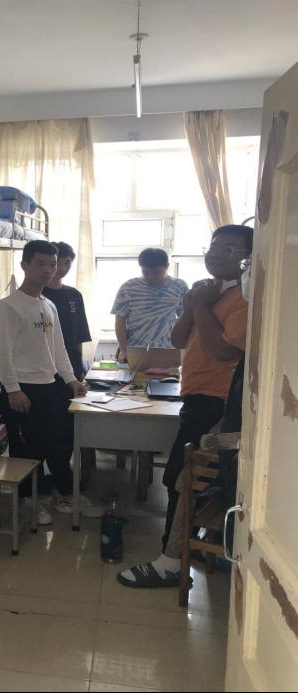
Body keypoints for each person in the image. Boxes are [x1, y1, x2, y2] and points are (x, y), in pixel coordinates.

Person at [117, 225, 252, 588]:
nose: (216, 253)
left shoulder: (243, 298)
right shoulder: (204, 291)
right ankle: (193, 551)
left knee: (183, 479)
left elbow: (224, 351)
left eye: (229, 249)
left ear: (249, 259)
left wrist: (201, 306)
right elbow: (178, 339)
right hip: (195, 397)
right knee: (186, 477)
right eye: (214, 246)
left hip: (217, 402)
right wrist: (195, 304)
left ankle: (171, 563)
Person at [0, 240, 102, 524]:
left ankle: (66, 494)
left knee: (58, 445)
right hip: (22, 389)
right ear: (25, 265)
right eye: (40, 263)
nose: (48, 270)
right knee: (26, 451)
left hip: (50, 386)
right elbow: (2, 353)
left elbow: (59, 349)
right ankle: (29, 502)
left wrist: (71, 380)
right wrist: (13, 389)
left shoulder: (49, 305)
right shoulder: (8, 306)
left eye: (52, 264)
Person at [112, 248, 188, 362]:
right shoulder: (128, 287)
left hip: (168, 350)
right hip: (134, 350)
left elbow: (186, 320)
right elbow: (119, 322)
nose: (151, 277)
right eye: (145, 272)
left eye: (157, 272)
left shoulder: (180, 286)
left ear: (167, 267)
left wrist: (185, 349)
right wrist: (124, 350)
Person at [42, 241, 92, 380]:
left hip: (72, 361)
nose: (62, 268)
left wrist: (79, 367)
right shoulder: (38, 293)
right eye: (58, 263)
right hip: (45, 362)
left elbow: (80, 334)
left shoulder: (74, 295)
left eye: (67, 263)